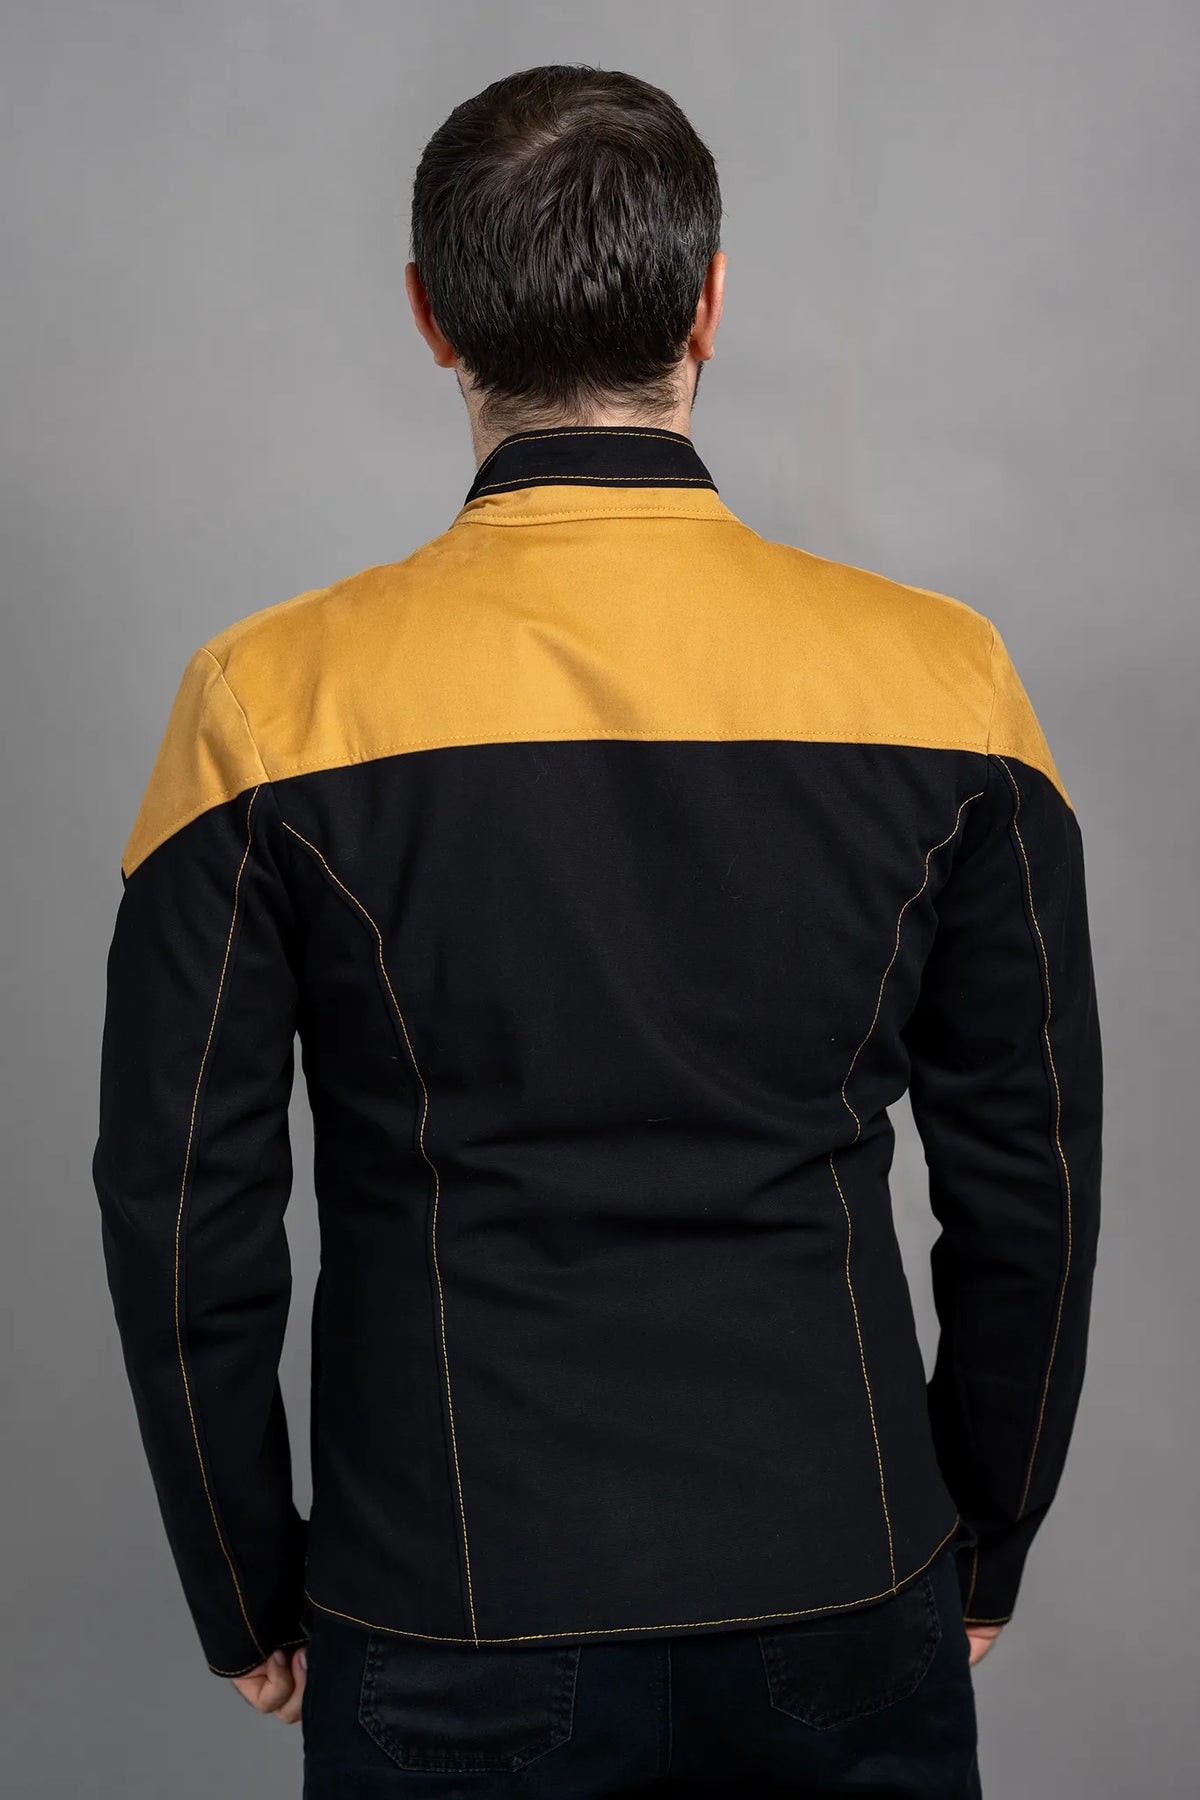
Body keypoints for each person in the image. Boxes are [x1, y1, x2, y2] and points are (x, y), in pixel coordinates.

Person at [92, 63, 1102, 1799]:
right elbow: (1036, 1181)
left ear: (431, 317)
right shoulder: (950, 683)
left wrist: (244, 1581)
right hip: (850, 1574)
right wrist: (985, 1533)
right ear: (709, 304)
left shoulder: (263, 705)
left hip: (443, 1603)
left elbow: (181, 1207)